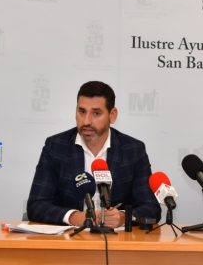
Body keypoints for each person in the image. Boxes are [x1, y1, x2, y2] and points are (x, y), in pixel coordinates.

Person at [27, 81, 161, 227]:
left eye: (96, 113)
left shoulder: (133, 150)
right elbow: (36, 205)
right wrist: (73, 217)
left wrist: (123, 217)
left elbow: (151, 208)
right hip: (71, 237)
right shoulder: (56, 147)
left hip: (116, 239)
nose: (86, 121)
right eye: (82, 111)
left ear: (112, 115)